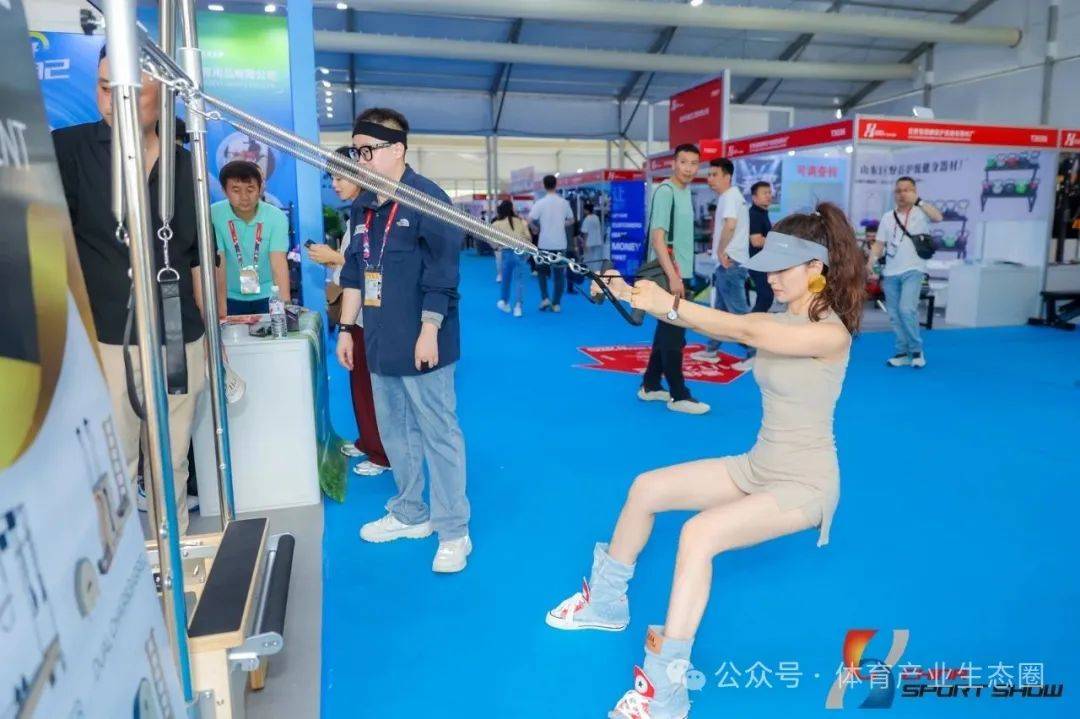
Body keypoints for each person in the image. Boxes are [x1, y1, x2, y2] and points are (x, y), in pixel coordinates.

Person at [553, 203, 864, 719]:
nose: (771, 278)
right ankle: (606, 604)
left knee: (698, 535)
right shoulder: (778, 316)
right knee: (646, 488)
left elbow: (747, 333)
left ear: (817, 268)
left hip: (805, 485)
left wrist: (671, 304)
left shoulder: (832, 334)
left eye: (781, 269)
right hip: (758, 467)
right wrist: (630, 293)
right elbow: (729, 324)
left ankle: (667, 692)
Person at [53, 45, 205, 534]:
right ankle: (120, 566)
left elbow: (197, 258)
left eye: (129, 90)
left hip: (179, 335)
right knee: (112, 461)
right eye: (104, 87)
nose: (113, 100)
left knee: (171, 459)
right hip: (107, 339)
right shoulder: (69, 151)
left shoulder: (186, 165)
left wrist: (214, 335)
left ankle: (172, 551)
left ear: (162, 93)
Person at [336, 107, 473, 573]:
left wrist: (429, 330)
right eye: (356, 151)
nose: (360, 159)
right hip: (379, 339)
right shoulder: (362, 205)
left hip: (424, 341)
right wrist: (347, 328)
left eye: (367, 150)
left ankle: (454, 530)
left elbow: (444, 274)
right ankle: (410, 512)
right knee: (395, 430)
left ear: (397, 150)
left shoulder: (428, 199)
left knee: (438, 432)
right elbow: (355, 271)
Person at [306, 146, 390, 477]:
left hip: (374, 314)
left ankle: (383, 453)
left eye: (341, 177)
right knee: (359, 381)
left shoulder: (374, 212)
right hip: (356, 314)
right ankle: (368, 440)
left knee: (373, 386)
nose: (335, 184)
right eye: (332, 177)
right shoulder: (356, 213)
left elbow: (371, 265)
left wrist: (335, 258)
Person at [640, 144, 710, 415]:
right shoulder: (666, 191)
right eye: (684, 162)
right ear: (673, 164)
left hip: (681, 274)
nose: (689, 168)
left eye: (694, 163)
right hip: (670, 275)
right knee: (674, 335)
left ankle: (650, 385)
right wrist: (673, 277)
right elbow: (658, 239)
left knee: (666, 331)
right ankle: (679, 394)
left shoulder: (684, 191)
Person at [867, 176, 942, 368]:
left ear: (914, 192)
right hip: (890, 272)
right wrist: (870, 262)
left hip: (913, 270)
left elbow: (938, 217)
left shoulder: (921, 212)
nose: (902, 194)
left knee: (907, 310)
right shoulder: (887, 217)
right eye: (898, 191)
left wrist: (919, 202)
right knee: (894, 314)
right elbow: (879, 244)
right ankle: (902, 352)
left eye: (907, 190)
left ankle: (916, 351)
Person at [692, 158, 753, 370]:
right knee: (719, 312)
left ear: (727, 177)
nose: (710, 179)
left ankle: (755, 353)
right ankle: (711, 349)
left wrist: (720, 251)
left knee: (738, 313)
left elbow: (730, 225)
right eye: (709, 175)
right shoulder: (731, 197)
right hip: (728, 263)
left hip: (730, 262)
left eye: (714, 175)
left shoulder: (729, 197)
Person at [211, 160, 290, 315]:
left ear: (260, 189)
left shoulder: (276, 217)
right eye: (236, 190)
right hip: (229, 296)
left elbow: (278, 263)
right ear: (224, 191)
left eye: (250, 189)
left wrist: (285, 305)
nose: (244, 197)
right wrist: (221, 308)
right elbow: (219, 264)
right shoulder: (213, 215)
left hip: (268, 295)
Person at [528, 174, 574, 312]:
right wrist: (561, 225)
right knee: (559, 275)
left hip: (544, 243)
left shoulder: (540, 203)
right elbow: (571, 220)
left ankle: (545, 299)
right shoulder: (564, 203)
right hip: (560, 243)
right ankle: (556, 303)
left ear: (544, 185)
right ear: (556, 184)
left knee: (542, 272)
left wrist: (535, 228)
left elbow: (529, 220)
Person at [492, 199, 532, 317]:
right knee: (519, 280)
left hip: (506, 253)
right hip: (520, 252)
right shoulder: (520, 221)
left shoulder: (497, 224)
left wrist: (497, 246)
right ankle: (518, 307)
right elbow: (528, 237)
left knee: (505, 279)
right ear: (512, 209)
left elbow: (491, 240)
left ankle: (504, 301)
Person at [747, 181, 776, 314]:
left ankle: (754, 322)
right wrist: (778, 241)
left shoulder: (762, 213)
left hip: (762, 263)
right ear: (754, 197)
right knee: (766, 296)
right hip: (757, 263)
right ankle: (752, 323)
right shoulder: (755, 214)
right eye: (764, 193)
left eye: (769, 192)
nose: (769, 195)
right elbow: (756, 241)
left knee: (765, 297)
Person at [580, 202, 604, 269]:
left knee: (588, 260)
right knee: (595, 260)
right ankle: (596, 271)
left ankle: (589, 272)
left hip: (589, 243)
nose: (583, 211)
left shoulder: (587, 219)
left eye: (584, 209)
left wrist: (584, 243)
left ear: (587, 210)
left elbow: (585, 233)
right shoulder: (596, 217)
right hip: (597, 242)